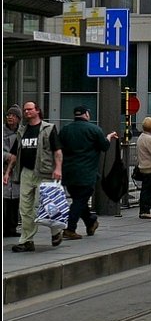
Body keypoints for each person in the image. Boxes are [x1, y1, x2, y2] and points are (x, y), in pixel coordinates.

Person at [2, 101, 63, 252]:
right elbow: (15, 155)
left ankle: (56, 231)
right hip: (26, 173)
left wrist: (58, 169)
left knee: (42, 206)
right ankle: (26, 240)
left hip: (44, 172)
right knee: (25, 208)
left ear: (37, 111)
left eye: (30, 109)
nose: (27, 112)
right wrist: (8, 173)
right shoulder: (22, 131)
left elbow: (57, 151)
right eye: (25, 110)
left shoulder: (48, 129)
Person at [58, 106, 118, 240]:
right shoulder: (94, 129)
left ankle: (91, 222)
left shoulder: (65, 130)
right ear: (86, 114)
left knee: (79, 200)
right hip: (87, 172)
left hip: (69, 172)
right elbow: (104, 146)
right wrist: (108, 137)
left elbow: (58, 148)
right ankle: (70, 228)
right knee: (79, 200)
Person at [3, 104, 23, 237]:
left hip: (16, 171)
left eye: (14, 115)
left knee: (14, 200)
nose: (10, 117)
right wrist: (6, 156)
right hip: (4, 170)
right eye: (9, 115)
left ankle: (12, 227)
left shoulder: (22, 132)